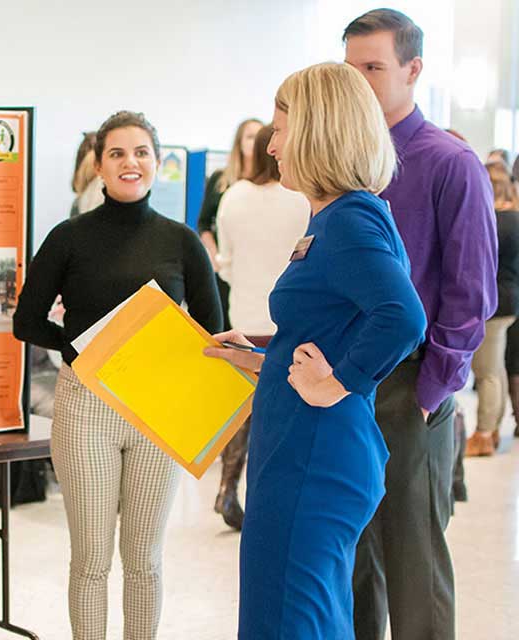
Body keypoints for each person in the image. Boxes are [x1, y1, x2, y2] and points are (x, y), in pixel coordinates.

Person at [206, 61, 426, 640]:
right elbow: (328, 330)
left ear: (315, 132)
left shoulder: (350, 220)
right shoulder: (333, 218)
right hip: (302, 446)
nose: (272, 146)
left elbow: (403, 316)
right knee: (298, 614)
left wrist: (340, 380)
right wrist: (258, 356)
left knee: (291, 621)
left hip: (315, 452)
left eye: (280, 129)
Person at [14, 110, 221, 640]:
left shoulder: (181, 241)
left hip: (157, 413)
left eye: (142, 153)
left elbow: (212, 330)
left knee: (145, 558)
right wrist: (83, 349)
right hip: (86, 407)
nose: (131, 163)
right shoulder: (69, 237)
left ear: (156, 163)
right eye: (117, 154)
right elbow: (26, 321)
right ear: (99, 166)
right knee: (90, 557)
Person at [343, 10, 498, 639]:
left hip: (413, 387)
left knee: (413, 561)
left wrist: (436, 389)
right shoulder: (348, 165)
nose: (358, 83)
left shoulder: (448, 163)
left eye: (373, 68)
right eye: (349, 70)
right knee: (354, 560)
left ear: (414, 70)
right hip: (345, 382)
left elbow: (471, 294)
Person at [212, 123, 310, 530]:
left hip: (244, 321)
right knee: (280, 419)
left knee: (240, 412)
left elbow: (225, 263)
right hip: (286, 324)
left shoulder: (231, 196)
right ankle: (271, 502)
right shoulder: (305, 200)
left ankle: (226, 485)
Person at [466, 162, 519, 456]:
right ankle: (493, 429)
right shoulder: (515, 217)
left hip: (494, 303)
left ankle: (484, 434)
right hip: (509, 301)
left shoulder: (496, 221)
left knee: (486, 371)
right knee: (496, 368)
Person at [197, 118, 263, 332]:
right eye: (250, 136)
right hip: (224, 267)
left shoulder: (270, 184)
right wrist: (216, 258)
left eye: (260, 137)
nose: (255, 142)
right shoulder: (221, 179)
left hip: (253, 268)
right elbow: (204, 223)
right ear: (239, 143)